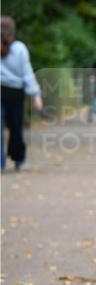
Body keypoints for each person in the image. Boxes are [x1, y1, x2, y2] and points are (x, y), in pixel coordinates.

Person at [0, 16, 43, 171]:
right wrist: (36, 94)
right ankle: (18, 158)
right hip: (15, 94)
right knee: (16, 127)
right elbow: (27, 74)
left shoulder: (17, 49)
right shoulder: (20, 48)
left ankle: (1, 163)